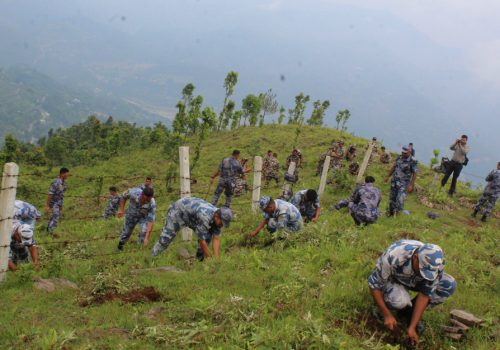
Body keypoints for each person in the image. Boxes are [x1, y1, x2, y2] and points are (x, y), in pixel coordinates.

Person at [368, 240, 456, 345]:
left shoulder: (436, 264)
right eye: (422, 269)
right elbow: (375, 285)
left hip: (415, 282)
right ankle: (386, 309)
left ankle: (408, 314)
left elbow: (425, 295)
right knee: (399, 301)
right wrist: (386, 314)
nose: (425, 274)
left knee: (448, 284)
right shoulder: (395, 255)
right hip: (395, 279)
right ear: (415, 258)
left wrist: (412, 327)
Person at [151, 197, 233, 260]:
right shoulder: (205, 217)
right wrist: (210, 260)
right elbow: (202, 241)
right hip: (178, 211)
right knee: (165, 239)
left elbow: (216, 238)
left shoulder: (218, 218)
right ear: (216, 216)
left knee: (207, 237)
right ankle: (152, 257)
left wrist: (216, 258)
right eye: (222, 222)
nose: (222, 225)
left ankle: (199, 262)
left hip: (192, 216)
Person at [385, 146, 418, 216]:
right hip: (394, 182)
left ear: (409, 152)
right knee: (392, 199)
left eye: (405, 153)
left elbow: (415, 173)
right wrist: (388, 176)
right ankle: (390, 214)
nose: (403, 154)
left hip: (404, 184)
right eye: (402, 152)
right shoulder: (399, 157)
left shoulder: (413, 161)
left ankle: (398, 215)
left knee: (400, 200)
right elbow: (394, 166)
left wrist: (411, 185)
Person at [45, 167, 70, 234]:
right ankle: (51, 232)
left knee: (53, 217)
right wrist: (47, 205)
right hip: (54, 203)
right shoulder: (56, 182)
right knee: (55, 218)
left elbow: (61, 195)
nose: (68, 176)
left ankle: (48, 231)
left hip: (58, 203)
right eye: (67, 174)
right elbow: (50, 194)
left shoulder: (63, 183)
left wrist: (61, 204)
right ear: (62, 174)